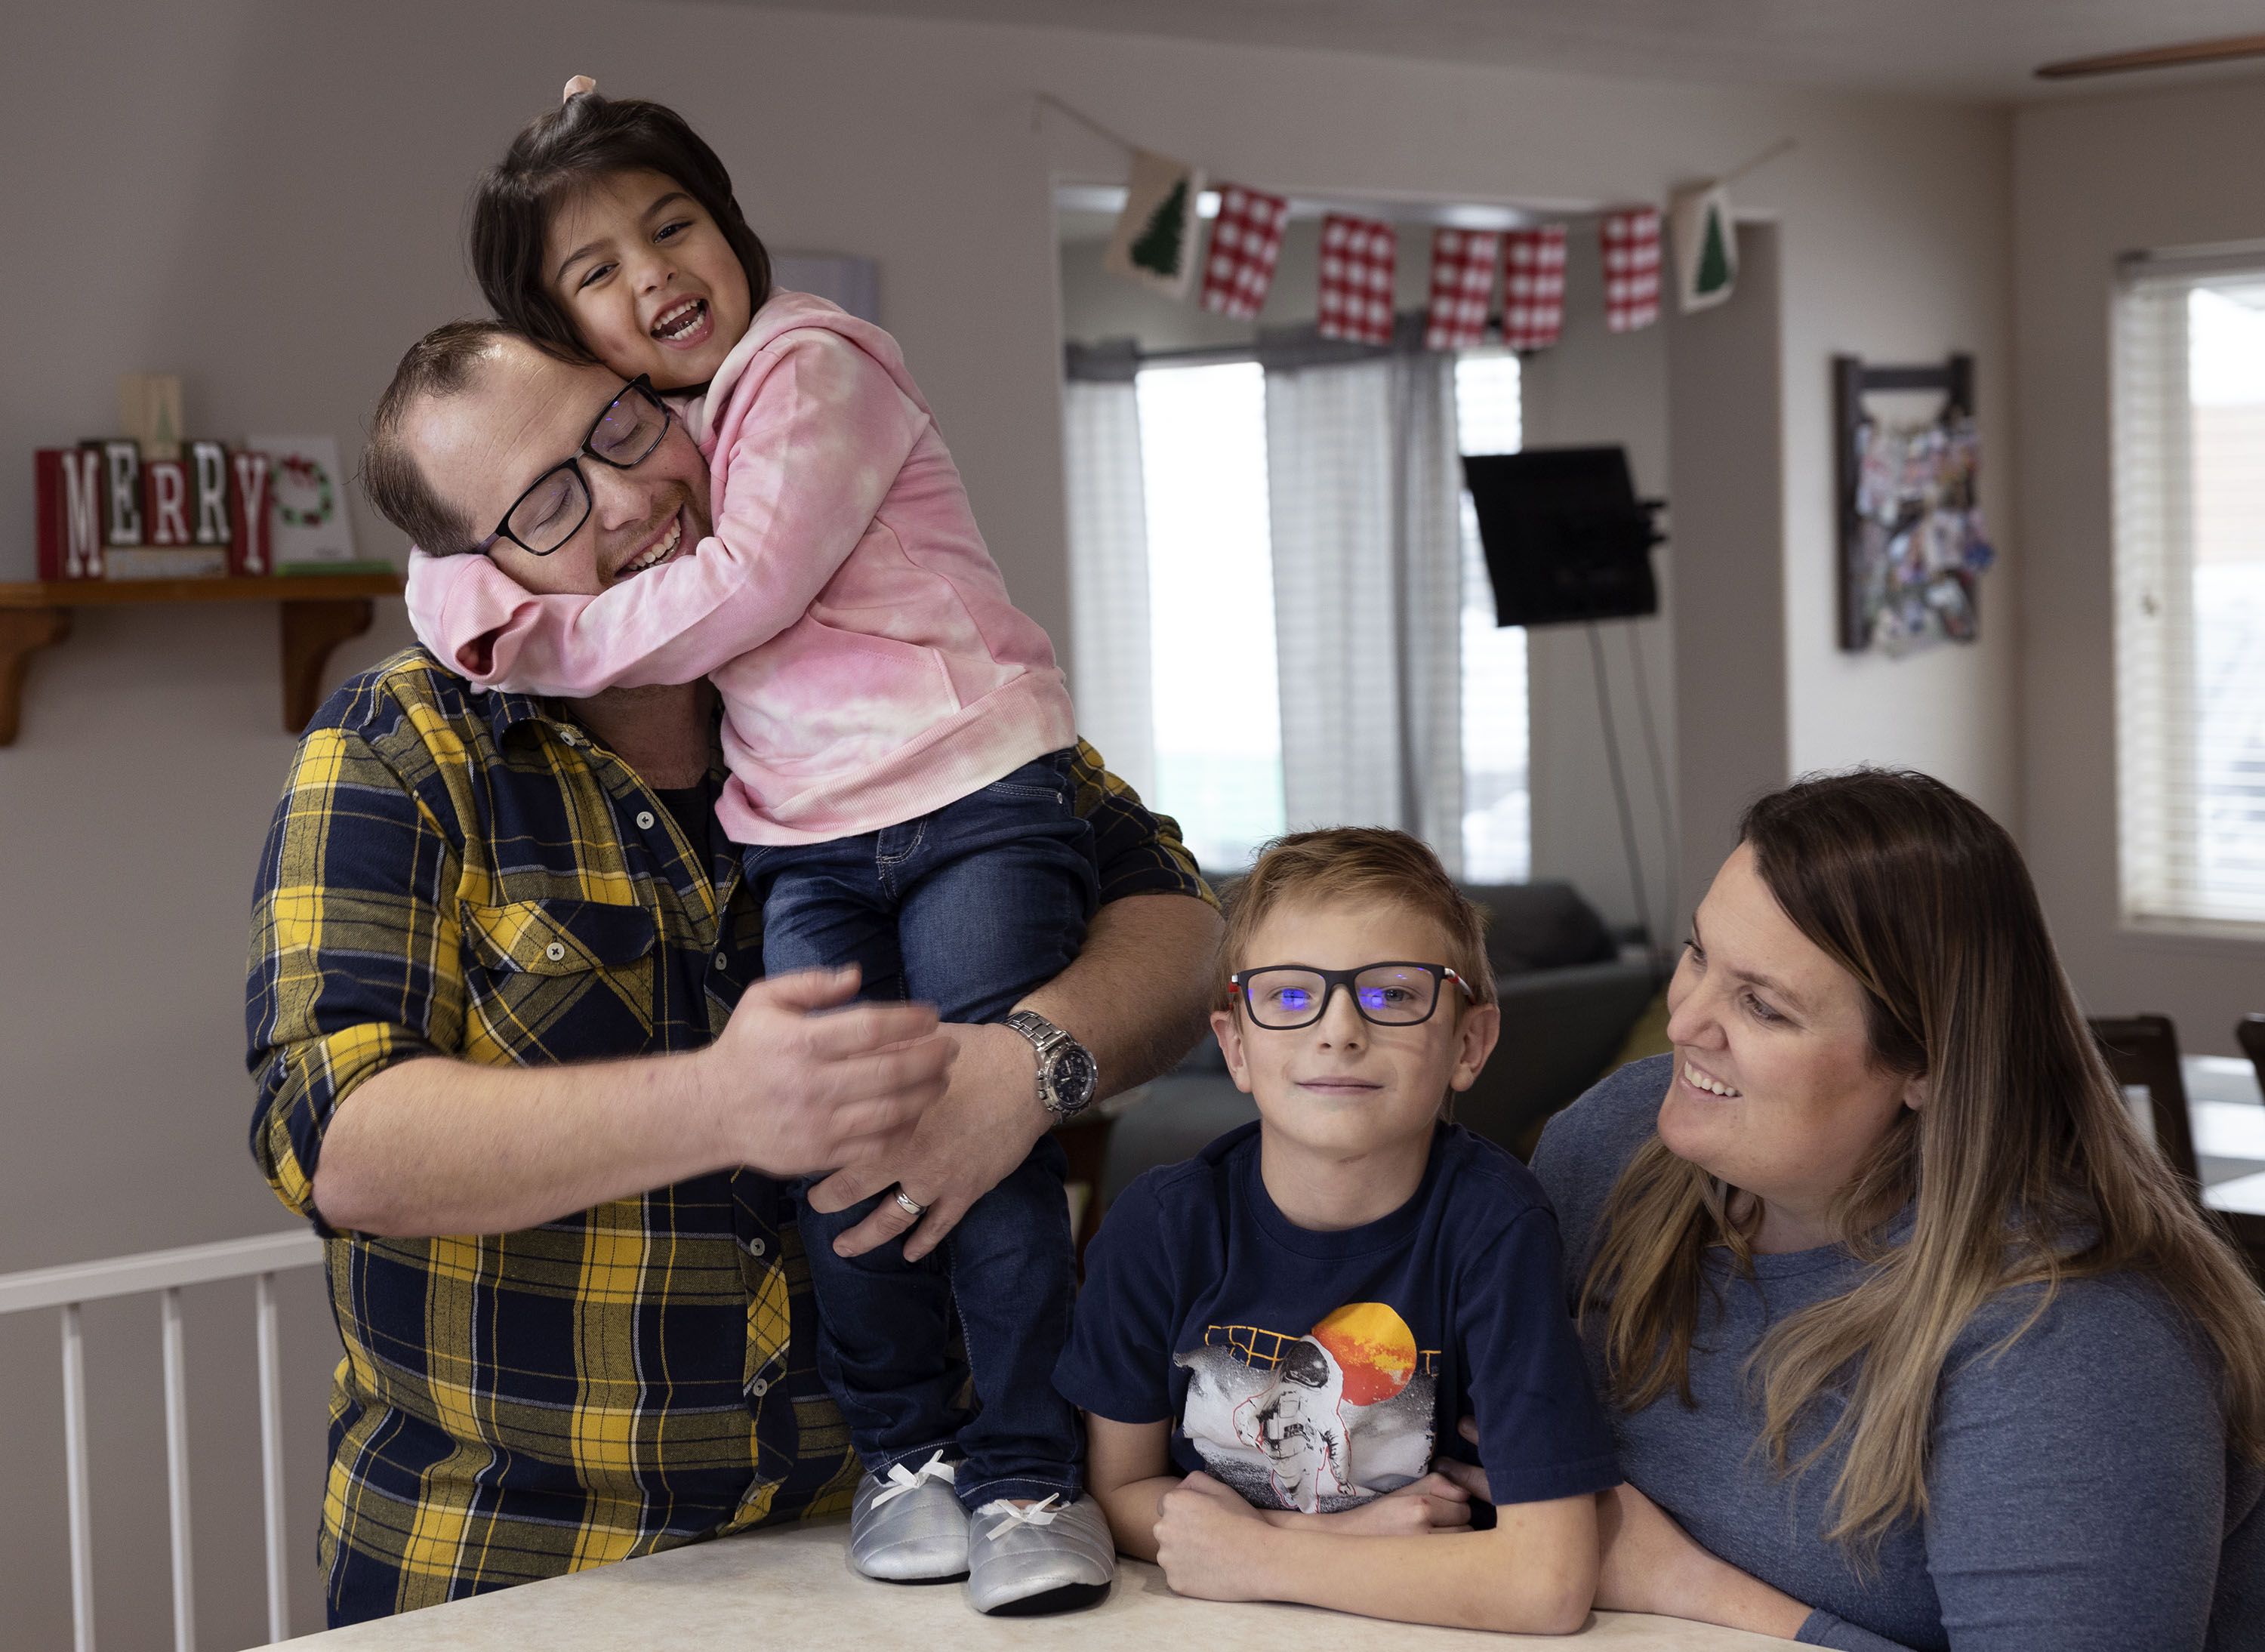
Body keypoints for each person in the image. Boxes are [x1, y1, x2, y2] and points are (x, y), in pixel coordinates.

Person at [248, 313, 1220, 1626]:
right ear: (480, 575)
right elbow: (334, 1132)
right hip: (510, 1565)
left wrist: (1022, 1068)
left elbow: (1181, 917)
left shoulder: (886, 641)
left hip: (886, 1544)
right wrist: (725, 1103)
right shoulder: (397, 749)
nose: (633, 496)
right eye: (548, 501)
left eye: (623, 426)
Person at [396, 81, 1117, 1611]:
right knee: (840, 1147)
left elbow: (744, 586)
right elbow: (455, 527)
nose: (655, 274)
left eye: (673, 226)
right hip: (808, 840)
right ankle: (911, 1452)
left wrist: (528, 621)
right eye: (599, 272)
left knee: (975, 1148)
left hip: (973, 790)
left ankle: (1030, 1469)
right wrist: (471, 599)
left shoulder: (804, 366)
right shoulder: (420, 735)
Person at [1512, 769, 2265, 1650]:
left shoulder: (2074, 1333)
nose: (1686, 1023)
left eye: (1763, 1005)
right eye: (1698, 953)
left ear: (1927, 1067)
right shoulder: (1616, 1144)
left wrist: (1685, 1585)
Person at [1056, 828, 1618, 1635]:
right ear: (1235, 1046)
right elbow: (1117, 1491)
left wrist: (1262, 1557)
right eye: (1288, 995)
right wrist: (1330, 1535)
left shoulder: (1498, 1228)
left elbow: (1549, 1582)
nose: (1339, 1029)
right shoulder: (1160, 1226)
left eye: (1393, 994)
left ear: (1469, 1042)